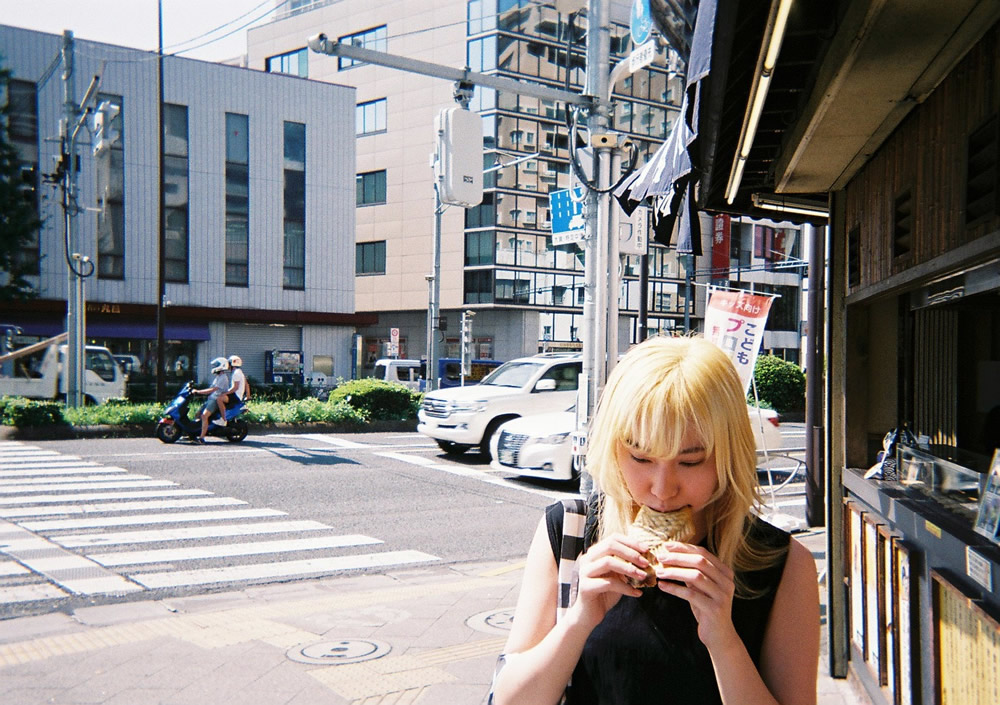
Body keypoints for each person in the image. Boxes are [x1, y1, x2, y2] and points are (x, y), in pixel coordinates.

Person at [491, 336, 820, 705]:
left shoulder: (784, 564)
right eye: (641, 458)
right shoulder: (570, 531)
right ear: (615, 449)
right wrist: (579, 618)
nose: (662, 490)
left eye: (691, 461)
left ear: (729, 454)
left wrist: (724, 641)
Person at [192, 357, 230, 443]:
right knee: (198, 414)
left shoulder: (223, 377)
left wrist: (198, 391)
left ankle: (201, 438)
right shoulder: (218, 376)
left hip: (215, 399)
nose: (214, 367)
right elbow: (211, 388)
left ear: (222, 366)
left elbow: (213, 389)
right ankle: (193, 434)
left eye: (216, 365)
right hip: (212, 398)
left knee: (204, 416)